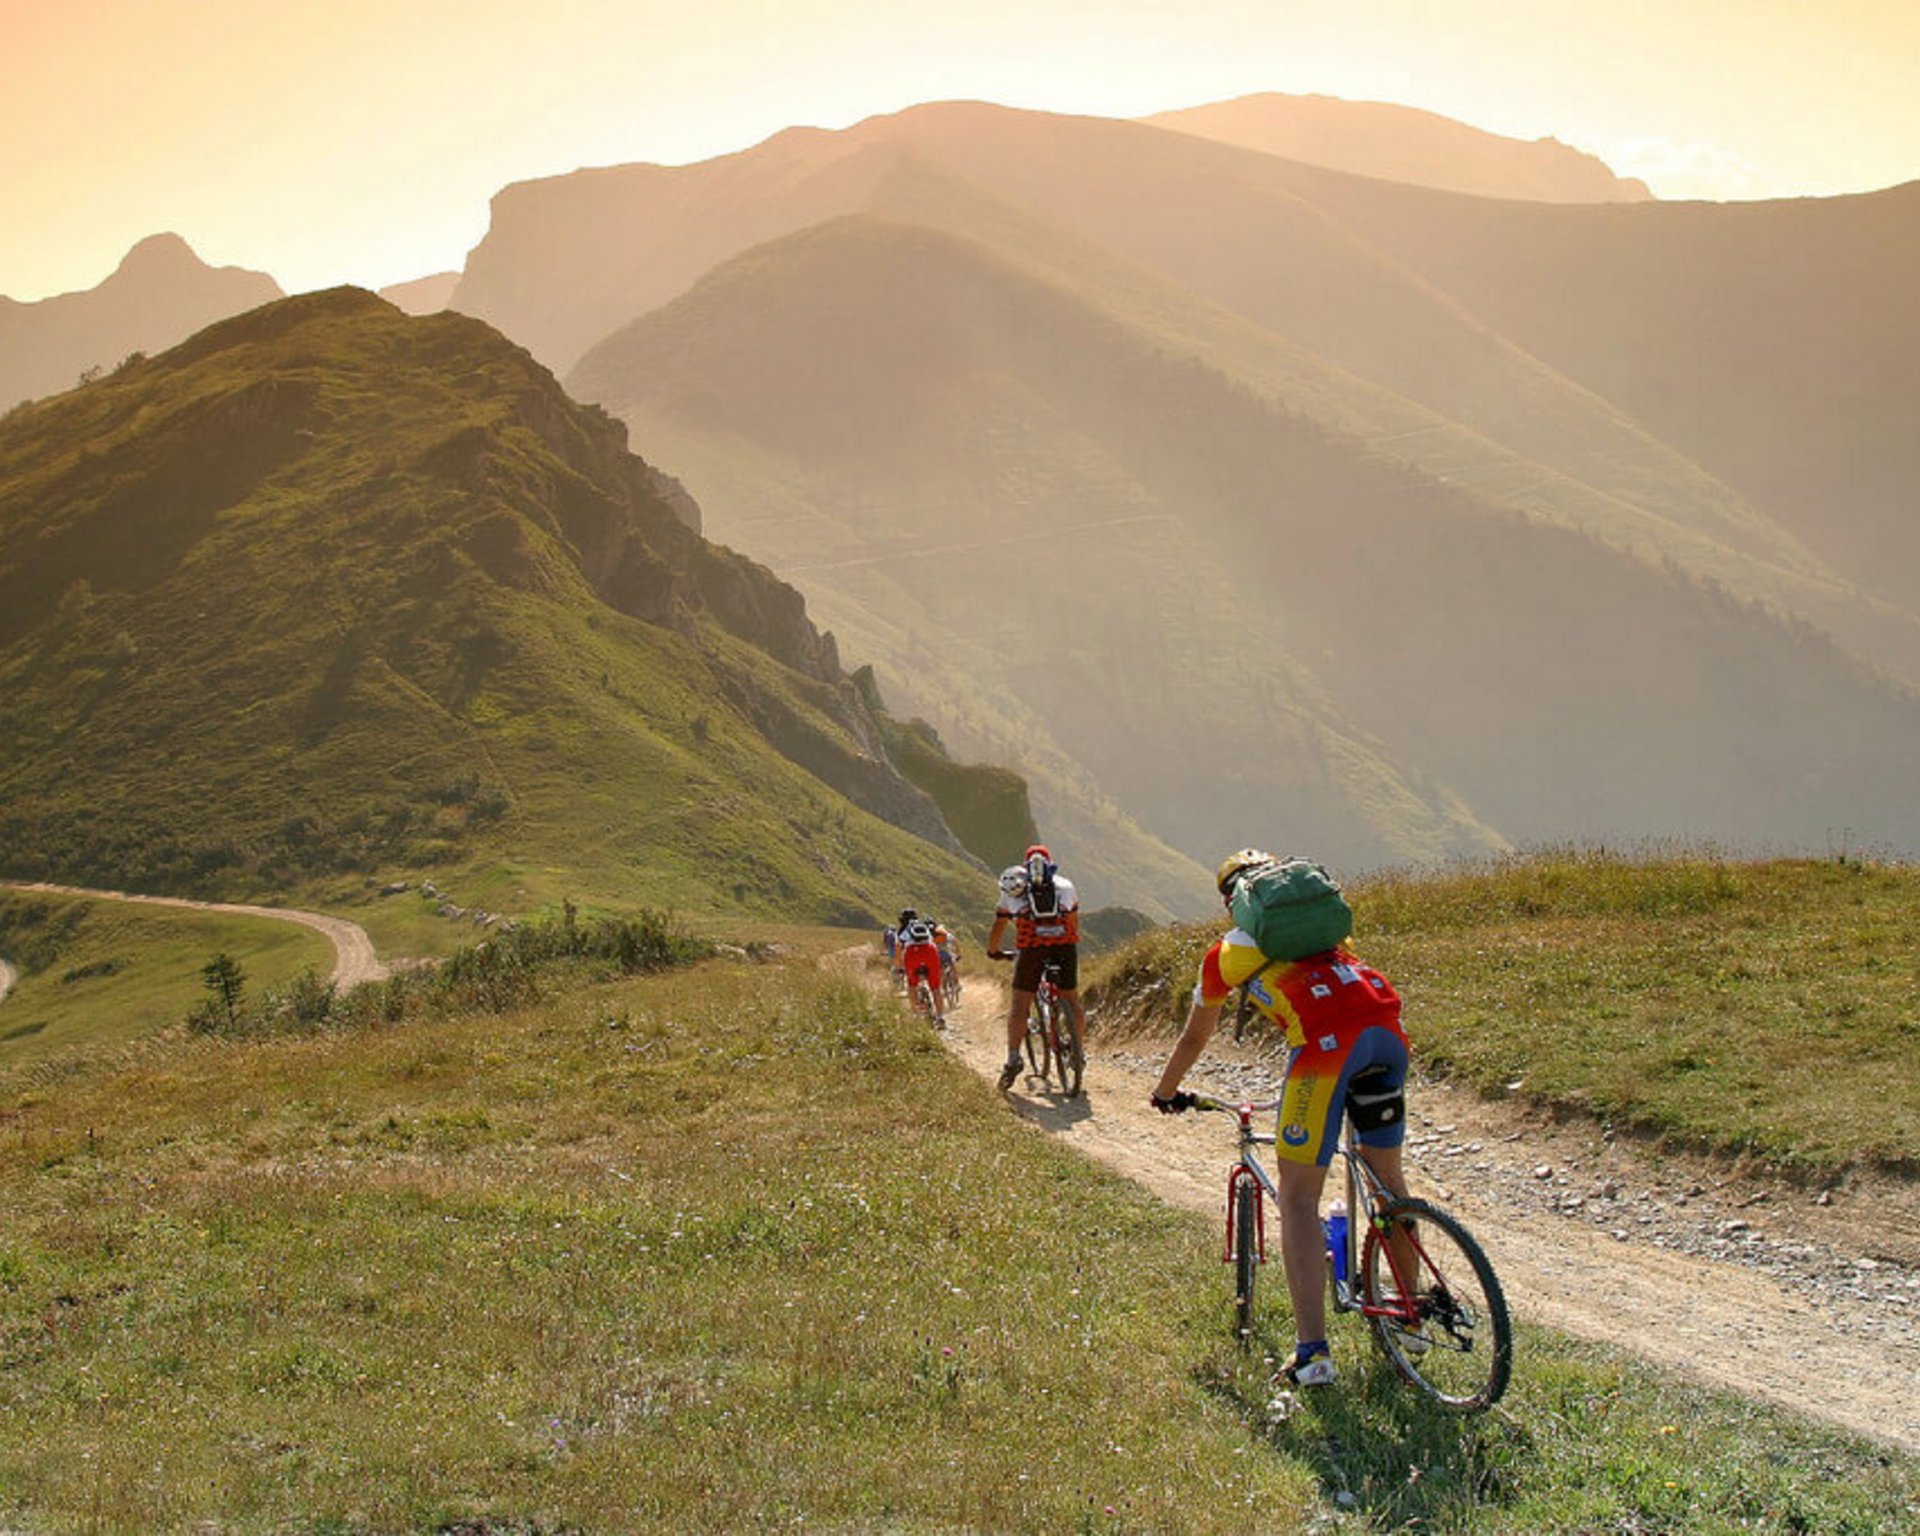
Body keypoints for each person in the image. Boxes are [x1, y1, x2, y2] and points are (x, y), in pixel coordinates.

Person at [1149, 849, 1412, 1390]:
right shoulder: (1328, 939)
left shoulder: (1226, 954)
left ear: (1234, 902)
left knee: (1297, 1198)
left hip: (1326, 1052)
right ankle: (1410, 1319)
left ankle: (1313, 1355)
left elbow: (1196, 1035)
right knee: (1388, 1184)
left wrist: (1166, 1090)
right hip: (1387, 1032)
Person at [987, 844, 1084, 1092]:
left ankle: (1013, 1058)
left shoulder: (1014, 890)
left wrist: (994, 950)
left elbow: (999, 924)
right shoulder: (1066, 885)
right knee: (1072, 1001)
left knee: (1020, 1005)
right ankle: (1077, 1050)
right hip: (1064, 947)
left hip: (1031, 949)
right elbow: (1073, 920)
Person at [897, 916, 947, 1026]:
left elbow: (899, 946)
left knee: (912, 986)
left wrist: (900, 967)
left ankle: (915, 1013)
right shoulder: (927, 929)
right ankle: (940, 1017)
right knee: (935, 988)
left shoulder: (905, 931)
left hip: (912, 954)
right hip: (930, 951)